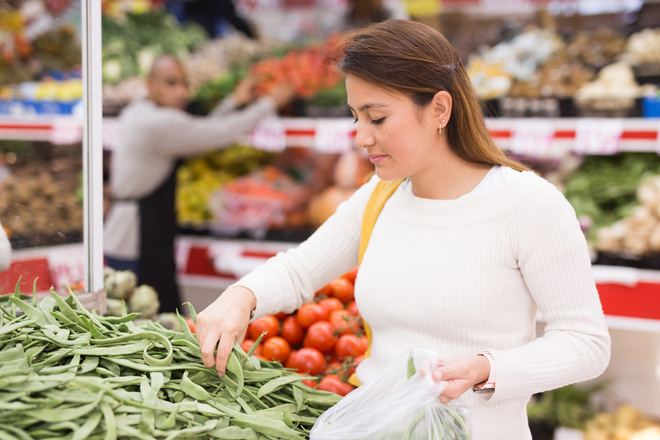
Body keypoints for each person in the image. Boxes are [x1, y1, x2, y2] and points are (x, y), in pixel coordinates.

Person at [195, 20, 611, 439]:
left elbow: (585, 343)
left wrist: (488, 368)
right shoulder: (381, 195)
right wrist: (240, 297)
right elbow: (300, 270)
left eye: (377, 117)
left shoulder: (528, 205)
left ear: (439, 110)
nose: (361, 137)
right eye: (356, 117)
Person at [104, 54, 295, 314]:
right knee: (152, 327)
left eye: (184, 83)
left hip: (132, 234)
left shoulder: (139, 112)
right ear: (150, 85)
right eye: (171, 83)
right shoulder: (158, 123)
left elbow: (196, 131)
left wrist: (234, 102)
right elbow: (218, 134)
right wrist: (268, 103)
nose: (181, 91)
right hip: (136, 241)